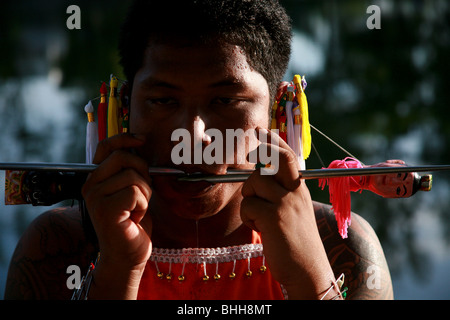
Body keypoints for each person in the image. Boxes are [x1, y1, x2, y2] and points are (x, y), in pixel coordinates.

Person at [4, 0, 393, 300]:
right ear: (124, 109)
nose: (193, 134)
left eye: (225, 100)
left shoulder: (339, 243)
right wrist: (117, 270)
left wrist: (309, 277)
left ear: (278, 111)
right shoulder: (59, 244)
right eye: (162, 101)